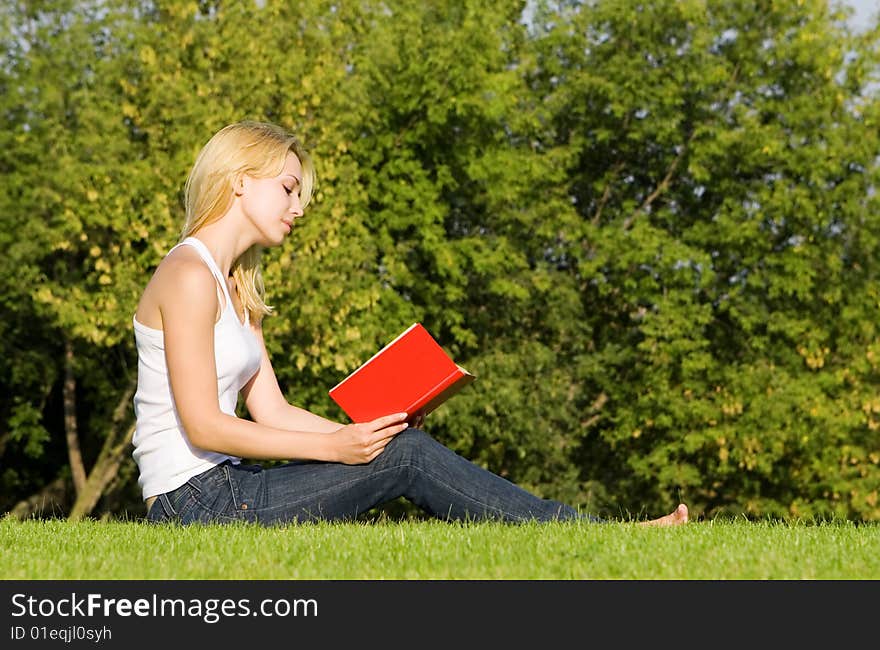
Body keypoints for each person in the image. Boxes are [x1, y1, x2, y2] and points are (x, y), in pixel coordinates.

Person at [132, 120, 689, 528]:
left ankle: (588, 532)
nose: (298, 207)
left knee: (402, 448)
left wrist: (366, 438)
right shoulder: (188, 274)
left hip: (229, 488)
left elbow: (273, 411)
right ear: (239, 180)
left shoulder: (237, 286)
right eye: (288, 188)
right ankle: (597, 536)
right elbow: (205, 427)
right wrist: (338, 449)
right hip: (194, 504)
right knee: (409, 458)